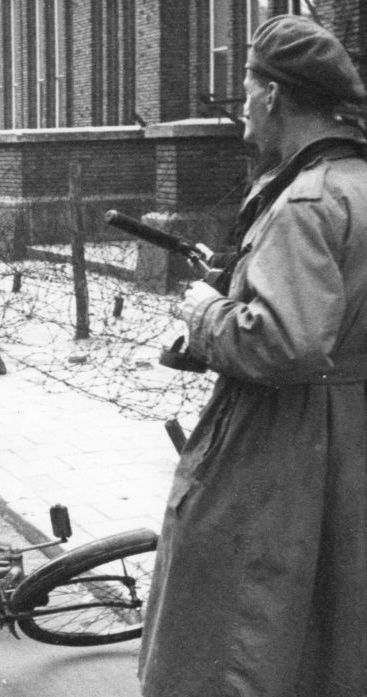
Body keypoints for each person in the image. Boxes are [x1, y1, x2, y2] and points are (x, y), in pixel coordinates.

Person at [139, 16, 367, 697]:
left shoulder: (306, 202)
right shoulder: (354, 184)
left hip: (286, 442)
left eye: (245, 95)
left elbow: (282, 340)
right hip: (350, 436)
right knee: (335, 621)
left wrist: (203, 313)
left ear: (272, 97)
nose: (241, 115)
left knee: (242, 619)